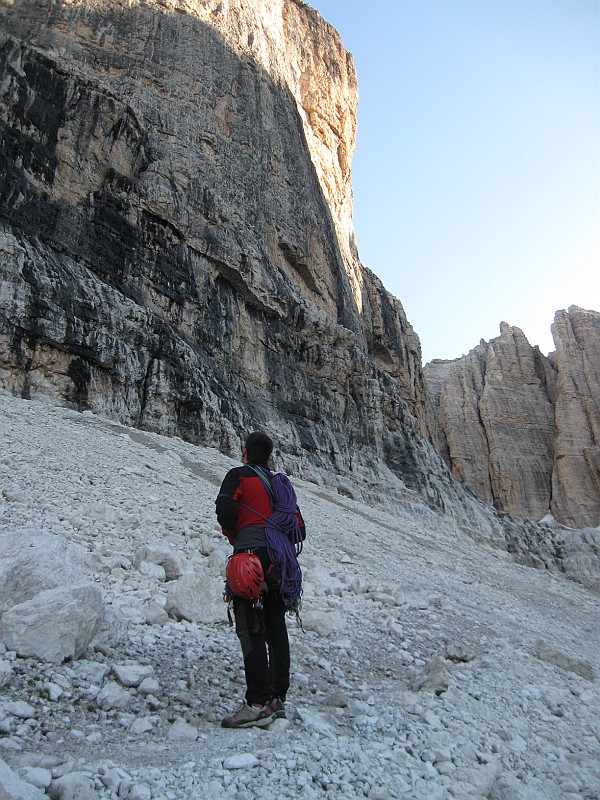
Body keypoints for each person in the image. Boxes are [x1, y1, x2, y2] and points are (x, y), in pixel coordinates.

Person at [215, 431, 306, 729]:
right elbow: (299, 530)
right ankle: (277, 698)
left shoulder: (239, 475)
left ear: (245, 453)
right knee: (276, 625)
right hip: (279, 562)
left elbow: (225, 507)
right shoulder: (281, 487)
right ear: (269, 456)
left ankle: (256, 704)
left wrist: (236, 535)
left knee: (250, 628)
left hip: (249, 558)